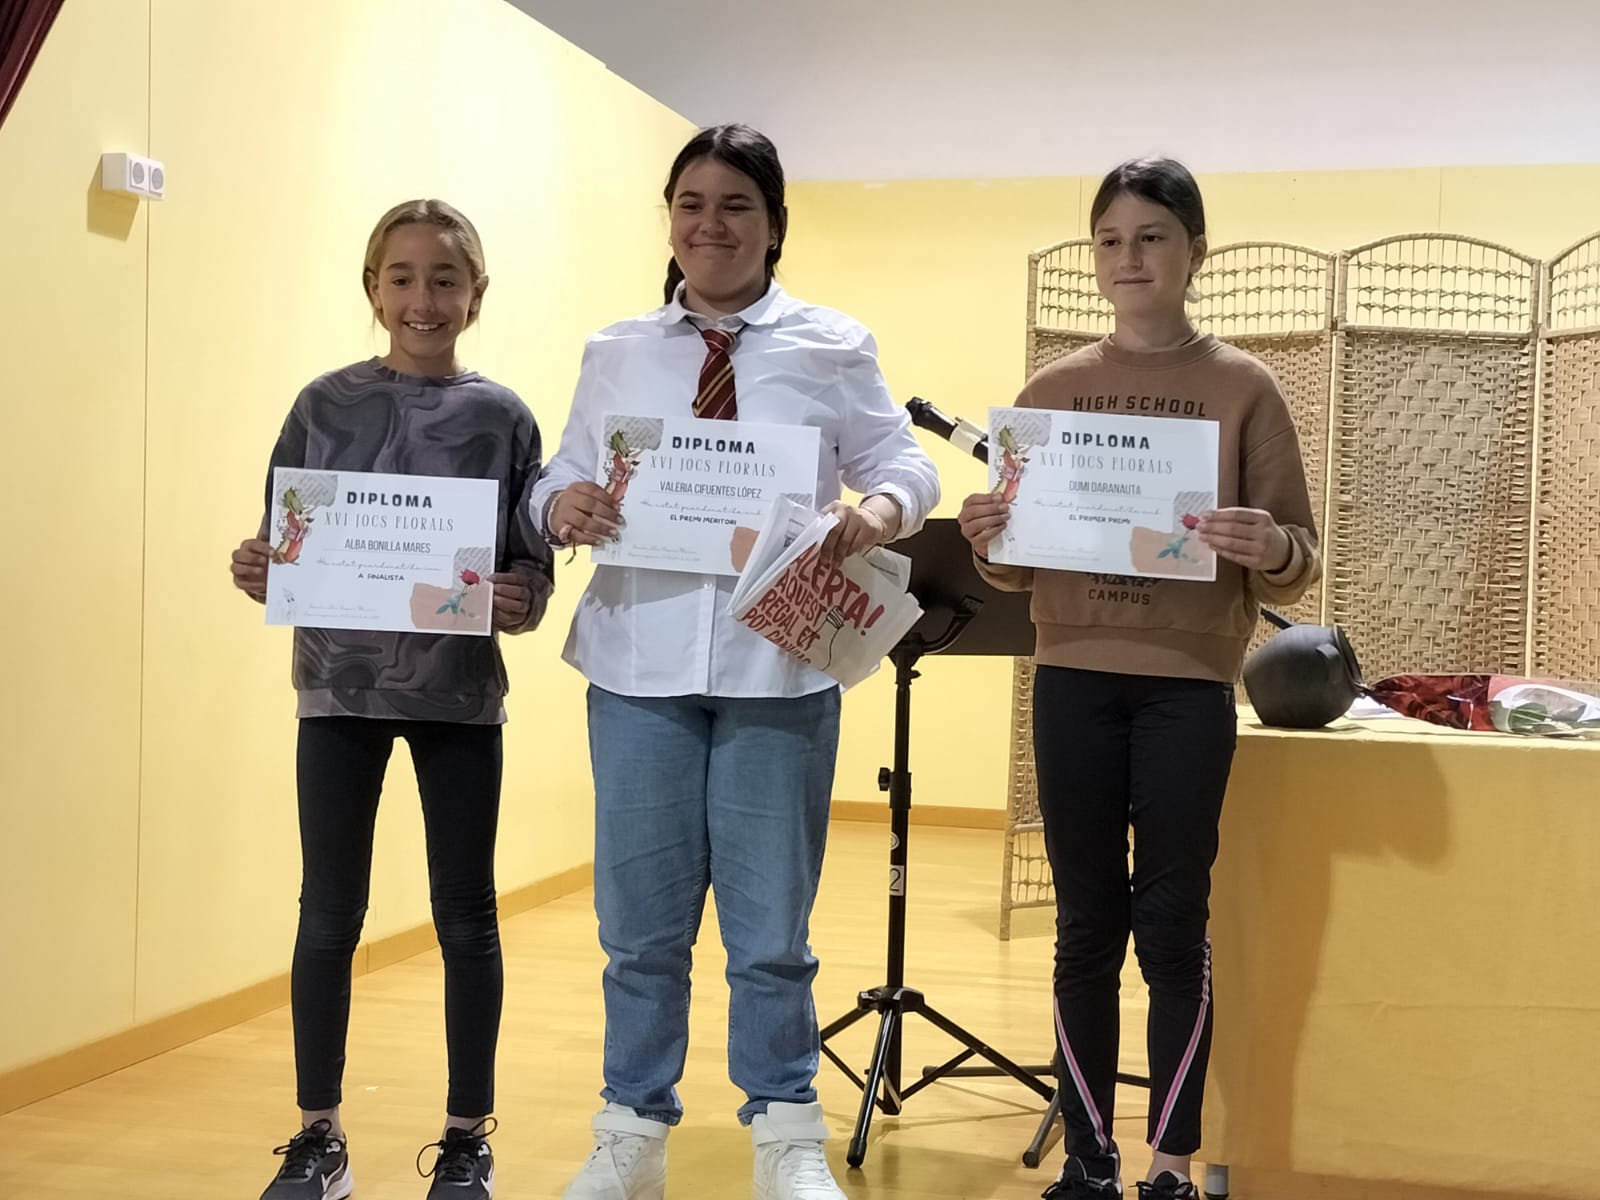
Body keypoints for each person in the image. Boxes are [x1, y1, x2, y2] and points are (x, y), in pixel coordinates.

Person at [529, 124, 939, 1200]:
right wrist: (562, 505)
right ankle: (630, 1131)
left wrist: (880, 510)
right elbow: (562, 473)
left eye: (736, 205)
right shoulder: (617, 349)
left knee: (770, 932)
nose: (711, 225)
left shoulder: (831, 344)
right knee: (639, 932)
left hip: (780, 668)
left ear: (774, 224)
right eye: (691, 204)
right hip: (637, 667)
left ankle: (785, 1134)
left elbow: (903, 462)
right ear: (669, 219)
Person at [958, 158, 1319, 1200]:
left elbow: (1299, 552)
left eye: (1151, 236)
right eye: (1109, 240)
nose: (1129, 257)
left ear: (1194, 252)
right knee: (1084, 927)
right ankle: (1089, 1161)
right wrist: (989, 534)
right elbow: (1015, 564)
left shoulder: (1245, 388)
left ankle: (1170, 1161)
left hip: (1187, 689)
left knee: (1170, 926)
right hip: (1070, 678)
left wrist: (1266, 545)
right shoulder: (1050, 393)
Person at [229, 199, 552, 1200]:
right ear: (372, 288)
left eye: (444, 279)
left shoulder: (504, 417)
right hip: (339, 688)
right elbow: (285, 545)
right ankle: (317, 1138)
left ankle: (465, 1140)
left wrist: (519, 598)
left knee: (466, 916)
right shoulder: (323, 404)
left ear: (476, 293)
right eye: (402, 277)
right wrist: (259, 568)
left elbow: (530, 573)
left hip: (458, 695)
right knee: (328, 914)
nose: (423, 298)